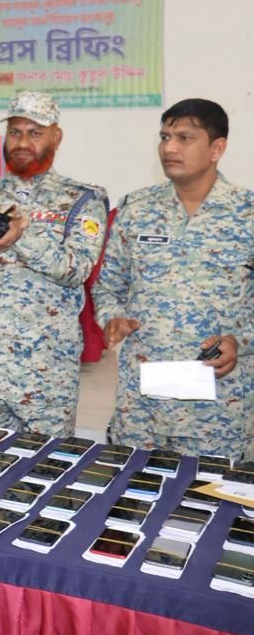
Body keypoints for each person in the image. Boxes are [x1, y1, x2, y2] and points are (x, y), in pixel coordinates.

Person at [0, 91, 108, 437]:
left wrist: (21, 237)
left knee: (46, 466)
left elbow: (76, 270)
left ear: (56, 137)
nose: (23, 142)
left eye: (34, 133)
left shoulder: (82, 200)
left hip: (48, 374)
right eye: (14, 132)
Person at [92, 99, 253, 461]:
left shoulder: (248, 215)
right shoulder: (136, 210)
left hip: (218, 411)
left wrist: (240, 341)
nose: (169, 147)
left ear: (217, 148)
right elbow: (108, 286)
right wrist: (112, 317)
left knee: (211, 494)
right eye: (165, 137)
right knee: (132, 490)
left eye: (184, 137)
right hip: (142, 406)